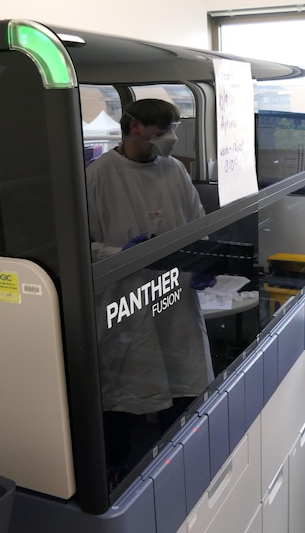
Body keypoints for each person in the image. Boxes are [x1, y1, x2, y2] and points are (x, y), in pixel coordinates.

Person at [86, 99, 214, 486]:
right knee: (124, 386)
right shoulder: (99, 176)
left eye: (172, 128)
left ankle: (181, 457)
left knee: (184, 375)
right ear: (135, 126)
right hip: (125, 296)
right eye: (163, 130)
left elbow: (197, 223)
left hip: (174, 291)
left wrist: (205, 262)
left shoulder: (174, 170)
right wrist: (118, 254)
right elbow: (80, 245)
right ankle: (117, 470)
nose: (171, 138)